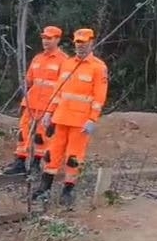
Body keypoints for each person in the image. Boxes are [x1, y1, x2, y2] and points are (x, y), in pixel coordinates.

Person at [31, 28, 109, 205]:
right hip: (61, 117)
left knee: (74, 157)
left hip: (80, 121)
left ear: (92, 42)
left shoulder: (98, 67)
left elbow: (99, 97)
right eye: (77, 42)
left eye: (83, 42)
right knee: (52, 153)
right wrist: (49, 112)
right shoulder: (67, 64)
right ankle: (44, 187)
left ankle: (68, 190)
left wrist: (92, 119)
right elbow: (58, 91)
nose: (80, 46)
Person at [3, 25, 68, 175]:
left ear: (57, 39)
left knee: (41, 136)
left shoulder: (63, 61)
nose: (45, 41)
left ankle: (36, 164)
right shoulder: (37, 58)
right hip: (31, 103)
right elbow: (29, 80)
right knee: (23, 132)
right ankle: (20, 161)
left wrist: (54, 109)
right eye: (44, 38)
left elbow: (63, 87)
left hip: (48, 106)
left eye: (49, 38)